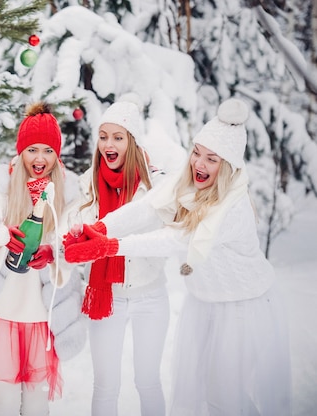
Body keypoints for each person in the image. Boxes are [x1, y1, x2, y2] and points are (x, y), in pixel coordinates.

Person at [64, 98, 291, 416]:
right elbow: (147, 206)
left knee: (227, 397)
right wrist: (100, 227)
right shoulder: (188, 184)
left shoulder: (232, 207)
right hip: (206, 300)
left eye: (212, 159)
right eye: (197, 152)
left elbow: (176, 239)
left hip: (243, 304)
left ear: (228, 165)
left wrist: (110, 246)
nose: (199, 164)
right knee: (207, 394)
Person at [0, 102, 87, 415]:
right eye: (31, 150)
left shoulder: (69, 189)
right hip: (3, 307)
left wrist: (53, 252)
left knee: (36, 401)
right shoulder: (1, 181)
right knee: (3, 400)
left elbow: (74, 239)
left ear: (57, 154)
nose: (39, 158)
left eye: (47, 151)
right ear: (20, 151)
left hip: (43, 311)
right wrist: (2, 235)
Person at [72, 96, 169, 416]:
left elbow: (168, 236)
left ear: (132, 141)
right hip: (106, 297)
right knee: (105, 385)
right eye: (103, 136)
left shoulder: (157, 184)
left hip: (150, 296)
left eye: (117, 137)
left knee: (148, 381)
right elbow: (74, 231)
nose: (108, 145)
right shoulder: (87, 185)